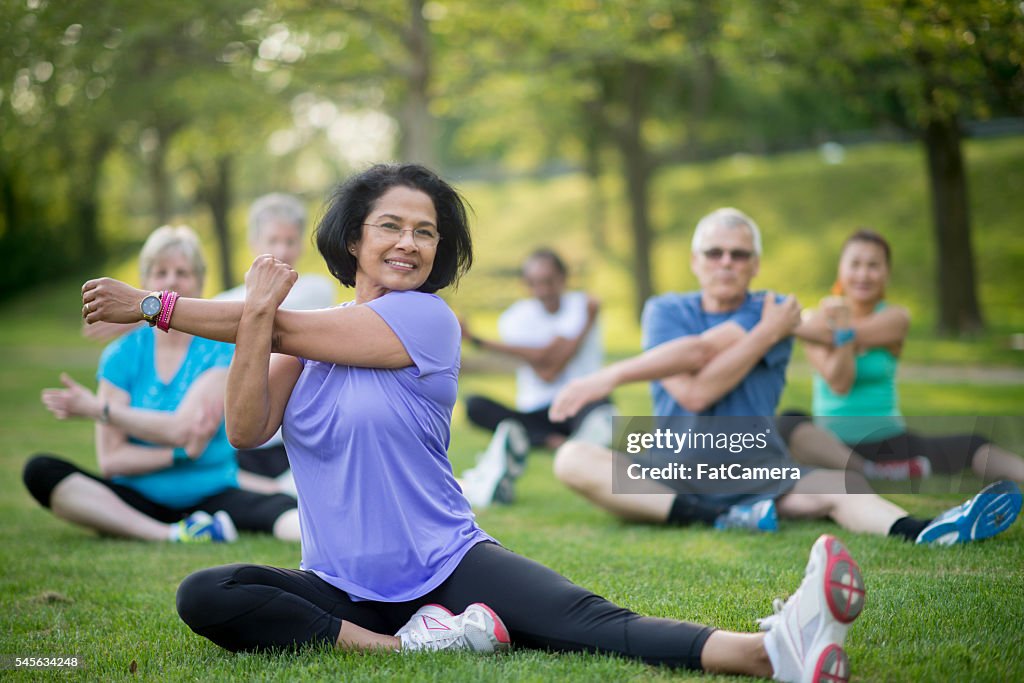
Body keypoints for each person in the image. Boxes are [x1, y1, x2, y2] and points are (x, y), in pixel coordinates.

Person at [84, 165, 866, 681]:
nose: (411, 243)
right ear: (354, 237)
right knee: (206, 591)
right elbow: (249, 428)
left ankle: (771, 649)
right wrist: (256, 314)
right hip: (341, 588)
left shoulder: (425, 322)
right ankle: (405, 645)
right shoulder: (289, 331)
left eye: (426, 232)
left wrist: (155, 305)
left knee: (590, 622)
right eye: (391, 226)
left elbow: (290, 327)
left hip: (448, 562)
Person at [549, 208, 1022, 545]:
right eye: (714, 253)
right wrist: (769, 331)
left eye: (739, 254)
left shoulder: (773, 308)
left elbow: (829, 344)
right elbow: (693, 387)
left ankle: (924, 530)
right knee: (571, 458)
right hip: (670, 475)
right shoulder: (667, 310)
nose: (726, 263)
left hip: (759, 474)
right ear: (696, 260)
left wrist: (815, 326)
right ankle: (719, 516)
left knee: (846, 487)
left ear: (755, 263)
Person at [23, 225, 300, 543]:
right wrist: (180, 455)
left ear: (199, 282)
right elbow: (112, 460)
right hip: (137, 497)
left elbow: (182, 428)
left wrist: (99, 409)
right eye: (161, 272)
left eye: (182, 272)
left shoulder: (220, 349)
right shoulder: (121, 355)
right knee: (41, 471)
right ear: (144, 285)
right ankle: (170, 534)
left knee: (285, 511)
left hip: (213, 492)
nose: (171, 281)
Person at [777, 228, 1024, 484]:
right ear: (841, 270)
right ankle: (868, 471)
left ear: (887, 273)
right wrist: (833, 328)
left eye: (873, 265)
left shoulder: (895, 318)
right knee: (789, 421)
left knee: (975, 443)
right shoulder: (818, 320)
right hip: (831, 445)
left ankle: (874, 469)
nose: (863, 274)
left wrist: (829, 328)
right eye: (855, 264)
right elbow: (840, 383)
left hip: (890, 443)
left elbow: (812, 329)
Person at [458, 248, 614, 508]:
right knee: (475, 404)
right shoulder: (517, 317)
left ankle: (552, 444)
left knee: (602, 405)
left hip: (582, 403)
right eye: (534, 283)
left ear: (563, 279)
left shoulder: (582, 303)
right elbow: (547, 369)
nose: (543, 290)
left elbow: (552, 364)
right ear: (526, 284)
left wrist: (478, 341)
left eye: (549, 281)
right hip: (539, 413)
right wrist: (585, 326)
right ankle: (561, 444)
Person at [215, 193, 336, 496]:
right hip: (241, 440)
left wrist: (156, 310)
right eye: (273, 240)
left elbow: (259, 309)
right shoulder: (224, 301)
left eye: (290, 241)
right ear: (254, 243)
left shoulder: (316, 291)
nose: (282, 250)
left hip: (292, 440)